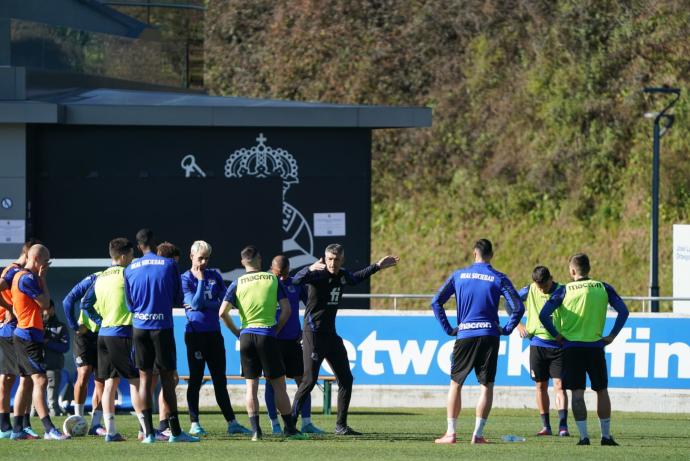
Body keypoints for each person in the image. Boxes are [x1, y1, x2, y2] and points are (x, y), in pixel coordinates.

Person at [289, 244, 399, 435]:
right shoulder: (316, 274)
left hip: (330, 335)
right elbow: (294, 281)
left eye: (336, 259)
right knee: (309, 381)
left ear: (342, 260)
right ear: (324, 258)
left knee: (346, 379)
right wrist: (308, 269)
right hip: (312, 334)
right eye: (330, 259)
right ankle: (290, 425)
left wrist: (377, 266)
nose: (333, 263)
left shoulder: (341, 274)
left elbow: (356, 279)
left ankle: (341, 426)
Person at [431, 239, 524, 444]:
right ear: (491, 255)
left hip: (465, 335)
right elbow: (518, 307)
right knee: (486, 385)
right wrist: (507, 329)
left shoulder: (459, 275)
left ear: (474, 253)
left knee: (456, 384)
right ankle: (478, 435)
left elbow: (435, 302)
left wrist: (448, 329)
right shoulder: (498, 277)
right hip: (489, 335)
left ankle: (451, 433)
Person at [539, 253, 629, 446]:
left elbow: (544, 315)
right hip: (595, 347)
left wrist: (556, 334)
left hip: (572, 348)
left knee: (577, 394)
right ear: (589, 269)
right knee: (602, 390)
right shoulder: (603, 287)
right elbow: (624, 311)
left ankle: (584, 437)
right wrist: (612, 335)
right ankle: (605, 436)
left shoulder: (564, 290)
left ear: (572, 271)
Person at [124, 228, 198, 443]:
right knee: (167, 379)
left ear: (138, 246)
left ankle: (148, 433)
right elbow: (177, 297)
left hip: (139, 327)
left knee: (145, 379)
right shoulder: (169, 265)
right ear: (155, 244)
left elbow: (130, 305)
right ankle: (175, 432)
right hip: (162, 327)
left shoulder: (129, 269)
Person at [219, 245, 300, 441]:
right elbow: (287, 310)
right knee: (279, 386)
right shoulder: (272, 279)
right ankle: (289, 428)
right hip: (267, 335)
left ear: (242, 262)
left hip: (246, 336)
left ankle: (256, 432)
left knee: (251, 386)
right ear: (259, 259)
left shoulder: (237, 283)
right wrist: (276, 329)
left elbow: (222, 312)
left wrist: (238, 332)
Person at [81, 237, 149, 442]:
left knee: (110, 382)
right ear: (123, 256)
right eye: (130, 254)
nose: (133, 257)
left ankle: (110, 431)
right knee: (136, 382)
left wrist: (100, 321)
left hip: (104, 335)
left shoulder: (100, 277)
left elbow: (85, 303)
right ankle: (147, 431)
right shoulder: (128, 274)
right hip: (122, 334)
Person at [181, 240, 250, 436]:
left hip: (214, 334)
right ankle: (194, 422)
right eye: (200, 257)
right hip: (195, 335)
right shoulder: (185, 278)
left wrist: (205, 303)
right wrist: (201, 282)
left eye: (207, 258)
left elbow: (224, 303)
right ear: (191, 256)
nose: (203, 262)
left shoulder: (215, 276)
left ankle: (232, 423)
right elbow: (194, 303)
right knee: (195, 379)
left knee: (220, 380)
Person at [10, 244, 69, 440]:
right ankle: (48, 428)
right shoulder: (27, 278)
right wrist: (43, 277)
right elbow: (45, 305)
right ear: (36, 259)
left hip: (26, 335)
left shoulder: (24, 276)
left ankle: (17, 429)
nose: (47, 265)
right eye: (46, 261)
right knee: (40, 380)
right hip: (27, 336)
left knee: (26, 383)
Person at [264, 255, 323, 435]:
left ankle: (306, 422)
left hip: (293, 341)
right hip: (271, 341)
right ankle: (274, 424)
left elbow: (311, 305)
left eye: (285, 274)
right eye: (278, 274)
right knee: (271, 384)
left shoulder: (294, 284)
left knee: (303, 382)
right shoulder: (264, 284)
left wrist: (304, 330)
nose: (282, 278)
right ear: (271, 269)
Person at [513, 266, 569, 436]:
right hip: (537, 344)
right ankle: (546, 426)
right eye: (539, 287)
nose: (542, 290)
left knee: (559, 385)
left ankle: (563, 426)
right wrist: (518, 324)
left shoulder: (563, 290)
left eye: (544, 286)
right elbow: (510, 301)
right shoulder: (530, 289)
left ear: (551, 278)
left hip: (558, 345)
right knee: (540, 385)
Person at [0, 241, 38, 438]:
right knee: (22, 377)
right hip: (12, 329)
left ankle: (12, 425)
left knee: (14, 377)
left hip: (16, 329)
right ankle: (14, 426)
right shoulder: (14, 271)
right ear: (29, 254)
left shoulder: (23, 273)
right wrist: (9, 308)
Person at [63, 271, 106, 435]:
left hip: (105, 334)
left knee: (102, 379)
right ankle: (77, 419)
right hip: (85, 334)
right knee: (84, 372)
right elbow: (68, 300)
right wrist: (75, 326)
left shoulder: (126, 278)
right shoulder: (95, 278)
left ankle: (96, 424)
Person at [42, 300, 70, 417]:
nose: (45, 312)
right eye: (42, 309)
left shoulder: (60, 327)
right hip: (36, 365)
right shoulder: (35, 324)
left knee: (52, 391)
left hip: (53, 365)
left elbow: (65, 347)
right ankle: (34, 412)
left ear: (52, 309)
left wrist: (48, 342)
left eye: (47, 308)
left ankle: (54, 411)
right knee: (35, 389)